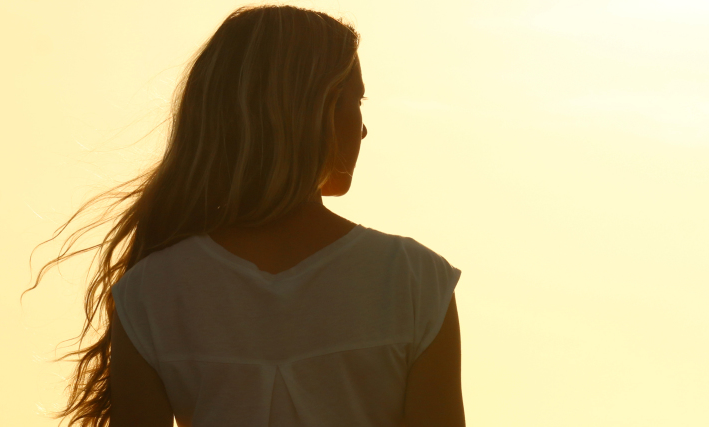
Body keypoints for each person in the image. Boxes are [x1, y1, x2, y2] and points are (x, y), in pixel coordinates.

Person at [28, 5, 464, 427]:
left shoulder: (151, 291)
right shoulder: (412, 280)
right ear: (320, 109)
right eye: (356, 101)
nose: (363, 128)